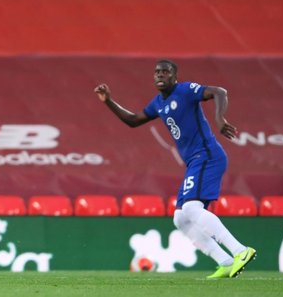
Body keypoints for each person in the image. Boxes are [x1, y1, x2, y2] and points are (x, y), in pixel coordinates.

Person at [94, 59, 257, 279]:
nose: (160, 75)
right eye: (157, 72)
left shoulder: (186, 90)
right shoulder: (158, 103)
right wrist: (109, 101)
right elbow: (133, 120)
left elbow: (219, 92)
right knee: (180, 218)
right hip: (194, 162)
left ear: (174, 76)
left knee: (191, 208)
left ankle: (240, 251)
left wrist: (219, 118)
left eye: (165, 72)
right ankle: (225, 261)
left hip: (207, 155)